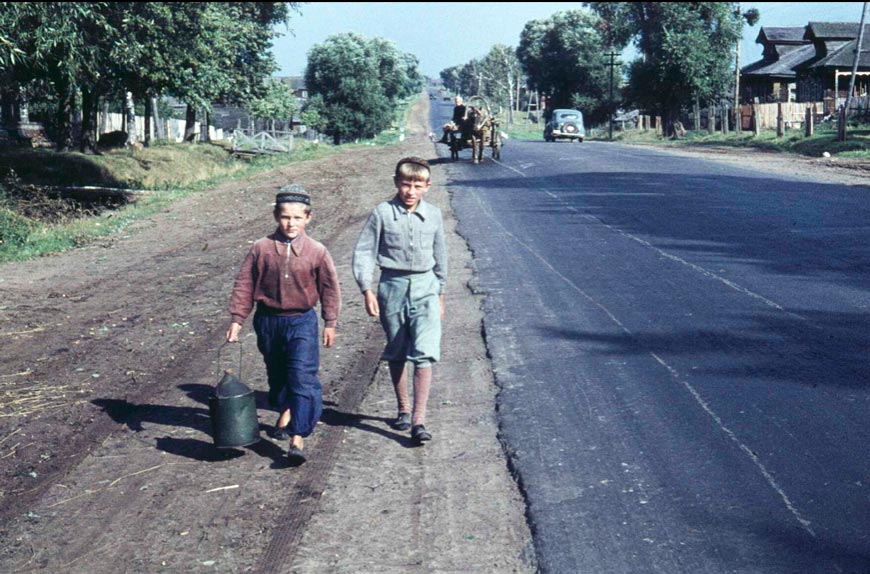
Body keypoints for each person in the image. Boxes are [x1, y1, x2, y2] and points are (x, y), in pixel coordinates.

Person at [226, 186, 341, 464]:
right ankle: (285, 407)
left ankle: (297, 438)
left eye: (298, 218)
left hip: (301, 321)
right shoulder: (261, 248)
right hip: (268, 321)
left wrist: (330, 322)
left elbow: (329, 288)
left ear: (308, 218)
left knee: (302, 377)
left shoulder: (317, 251)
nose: (291, 224)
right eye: (285, 217)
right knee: (278, 377)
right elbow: (245, 284)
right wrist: (237, 320)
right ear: (276, 216)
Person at [352, 157, 447, 445]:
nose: (410, 191)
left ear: (427, 187)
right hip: (391, 286)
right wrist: (366, 289)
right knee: (397, 350)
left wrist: (441, 293)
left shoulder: (434, 215)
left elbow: (441, 255)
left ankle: (419, 420)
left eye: (417, 185)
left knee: (425, 352)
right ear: (396, 183)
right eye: (406, 184)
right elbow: (365, 252)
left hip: (426, 287)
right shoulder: (382, 213)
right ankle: (403, 409)